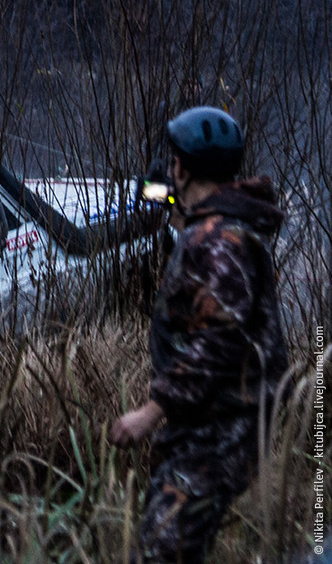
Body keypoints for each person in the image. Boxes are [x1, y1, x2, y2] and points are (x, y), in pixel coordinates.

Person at [109, 106, 289, 563]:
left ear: (183, 169)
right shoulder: (214, 228)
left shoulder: (218, 240)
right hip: (207, 422)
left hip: (222, 426)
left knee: (162, 553)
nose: (168, 173)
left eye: (173, 163)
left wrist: (151, 412)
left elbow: (218, 341)